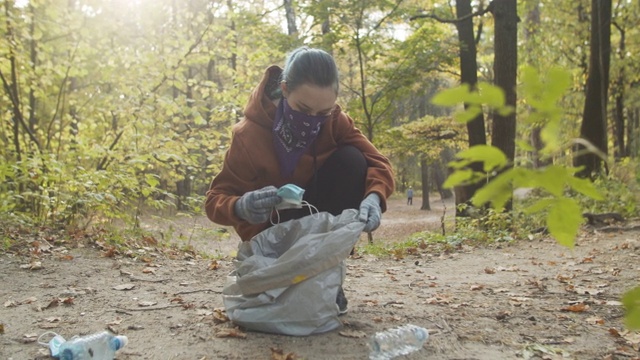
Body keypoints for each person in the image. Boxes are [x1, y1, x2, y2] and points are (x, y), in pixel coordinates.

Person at [204, 46, 395, 315]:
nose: (312, 121)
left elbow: (378, 163)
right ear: (284, 89)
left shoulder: (336, 121)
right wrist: (240, 206)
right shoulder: (248, 135)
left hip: (319, 214)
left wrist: (374, 197)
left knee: (352, 159)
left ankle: (323, 276)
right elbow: (215, 200)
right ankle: (282, 278)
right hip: (272, 229)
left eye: (322, 113)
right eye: (303, 109)